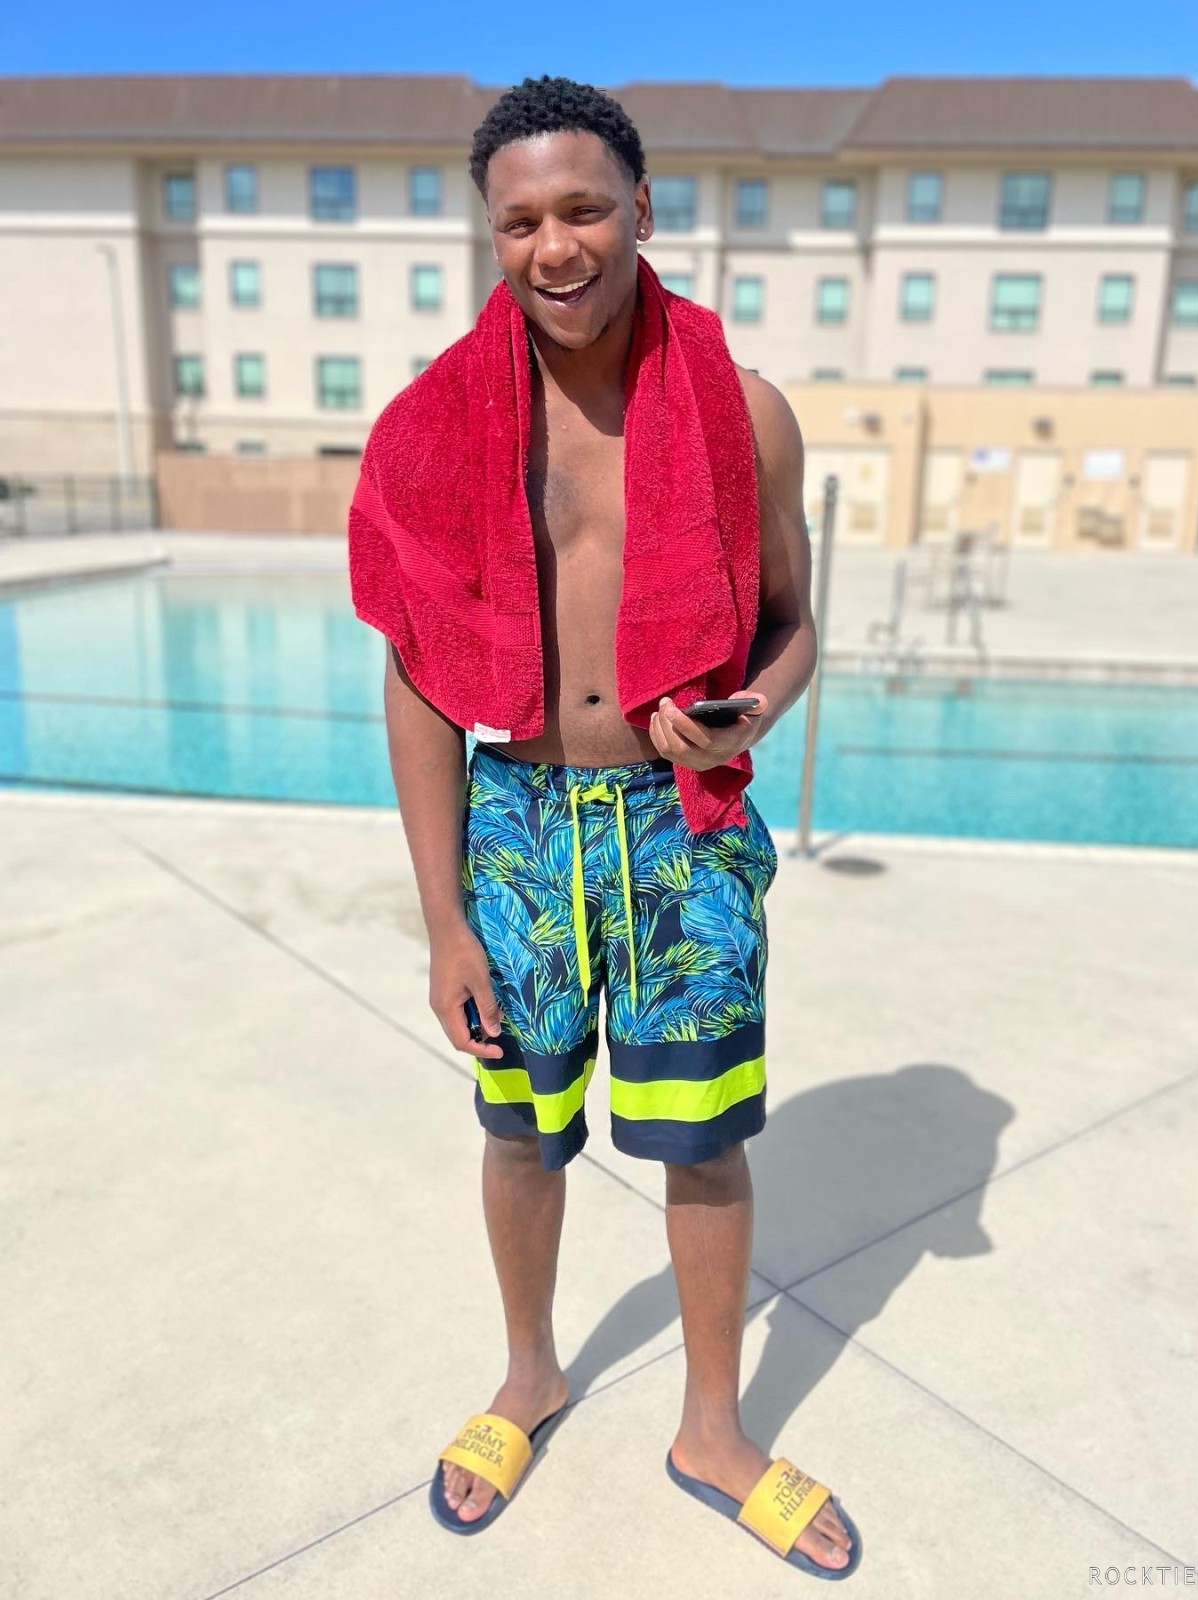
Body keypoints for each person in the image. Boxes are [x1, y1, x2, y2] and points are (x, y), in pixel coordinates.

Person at [349, 75, 858, 1578]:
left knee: (706, 1142)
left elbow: (794, 624)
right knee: (521, 1133)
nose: (554, 246)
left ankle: (713, 1427)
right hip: (515, 823)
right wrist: (444, 921)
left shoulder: (741, 411)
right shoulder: (433, 430)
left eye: (582, 209)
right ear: (490, 232)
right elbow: (419, 680)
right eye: (520, 221)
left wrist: (752, 712)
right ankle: (531, 1375)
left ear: (642, 208)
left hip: (679, 829)